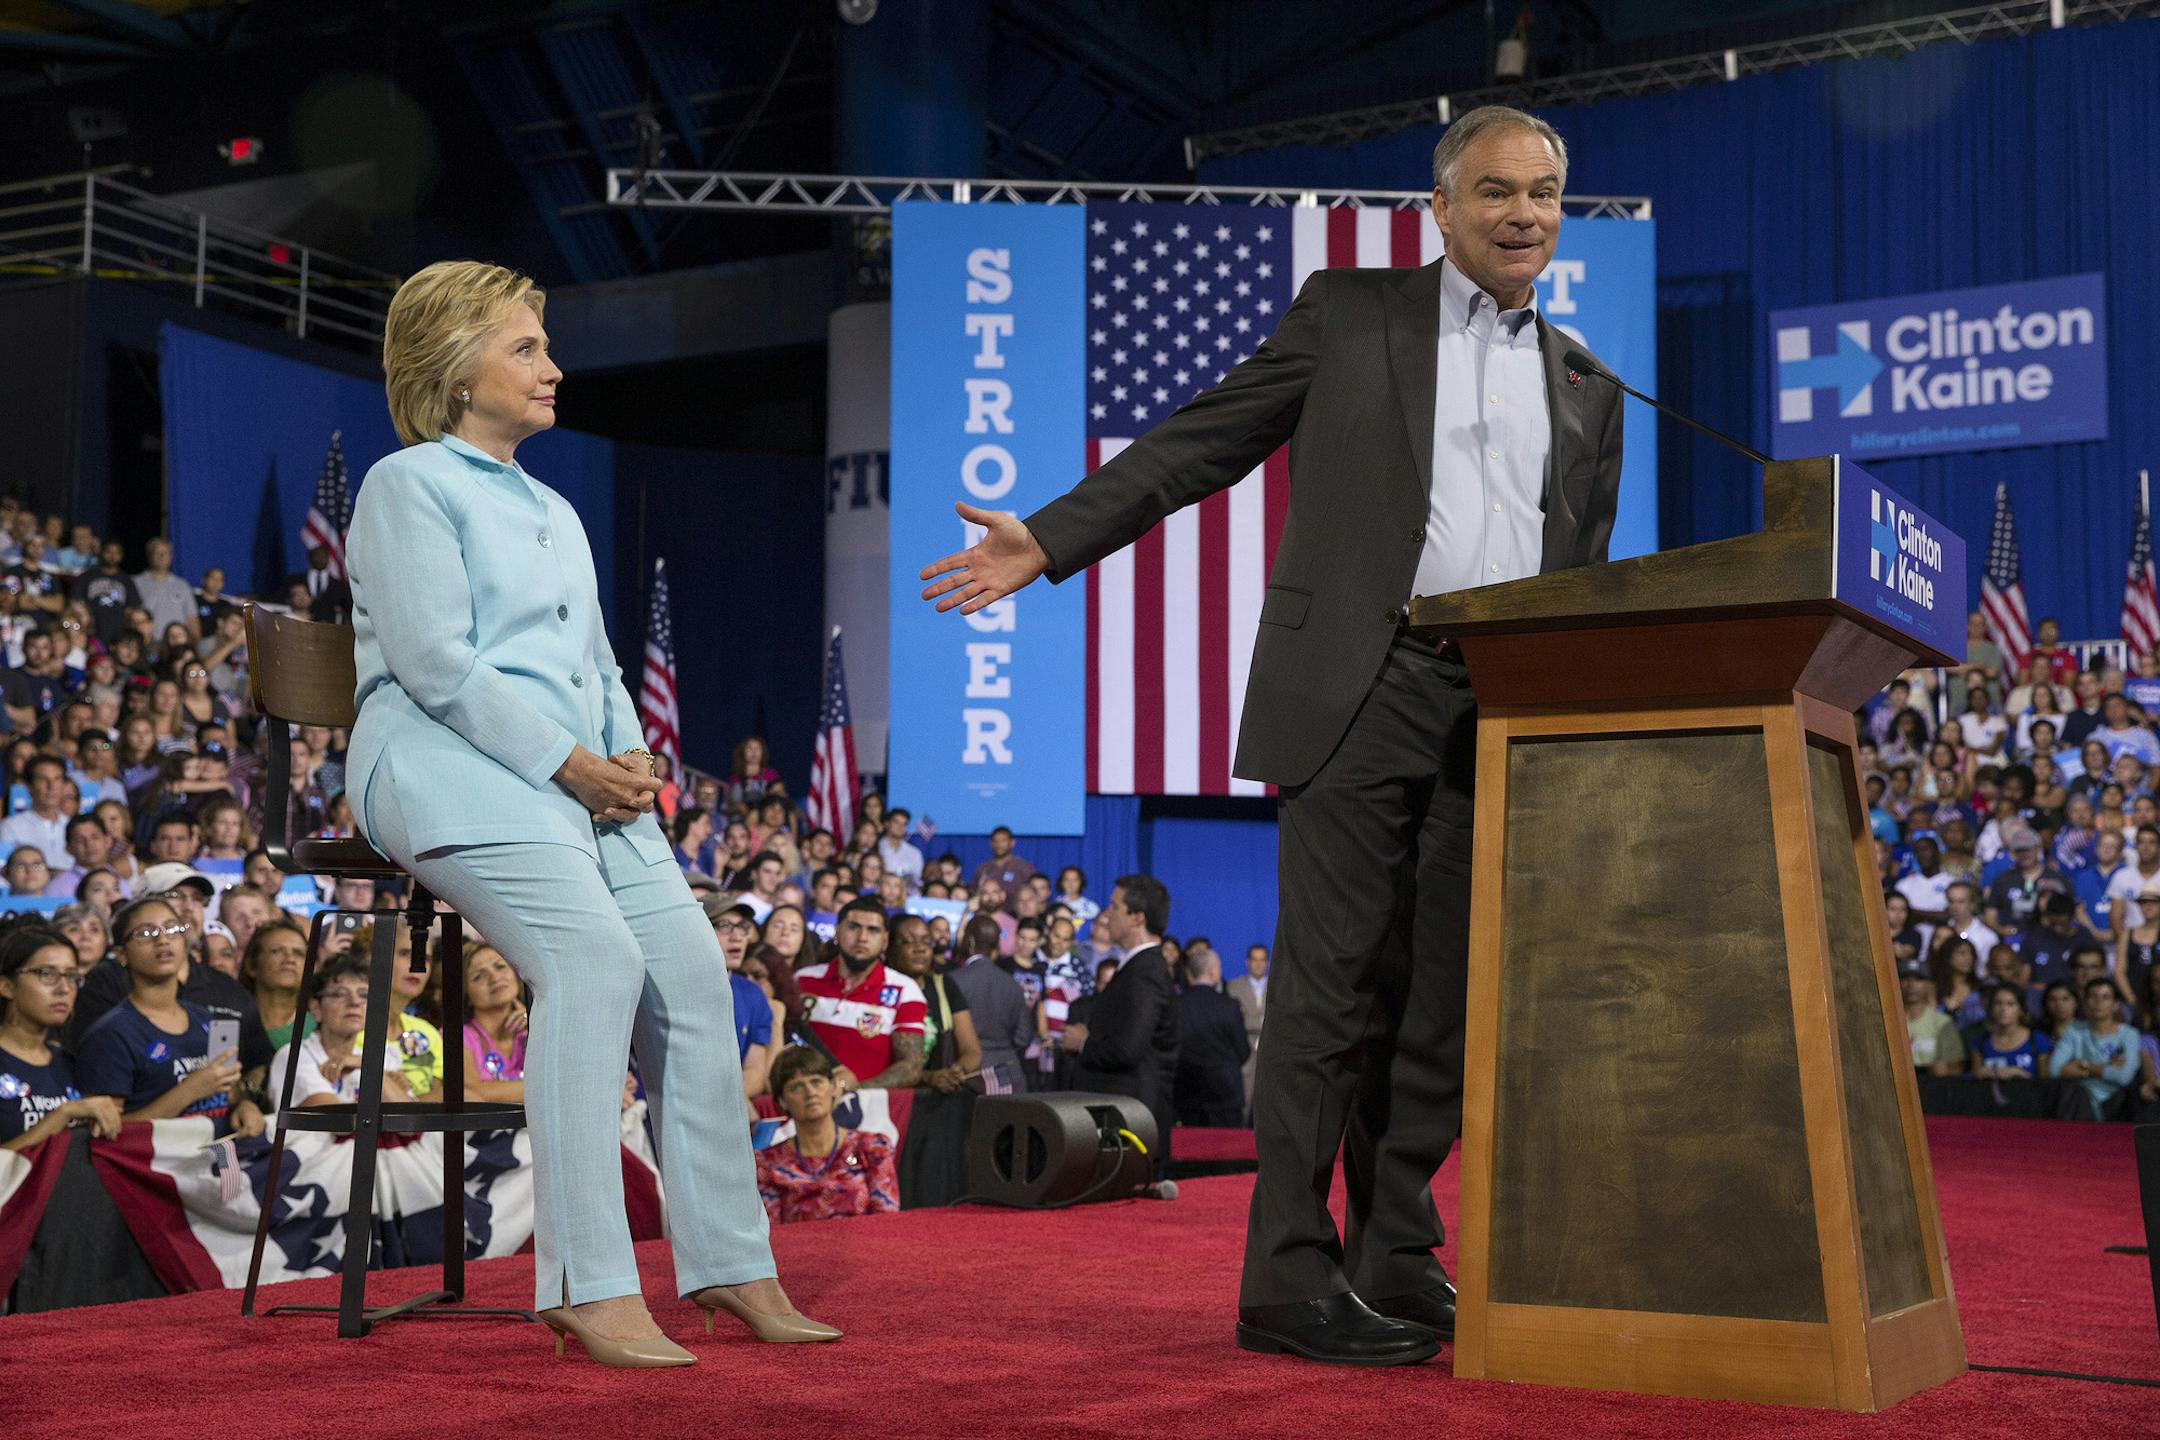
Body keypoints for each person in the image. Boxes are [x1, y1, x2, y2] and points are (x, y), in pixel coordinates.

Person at [347, 260, 828, 1366]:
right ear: (454, 367)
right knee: (597, 966)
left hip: (576, 783)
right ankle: (586, 1281)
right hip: (439, 768)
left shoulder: (556, 504)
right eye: (524, 347)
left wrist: (623, 755)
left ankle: (729, 1263)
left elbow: (600, 664)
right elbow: (433, 665)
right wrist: (570, 763)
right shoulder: (409, 482)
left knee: (698, 979)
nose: (552, 366)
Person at [74, 896, 267, 1137]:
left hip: (215, 1160)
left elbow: (226, 1092)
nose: (162, 939)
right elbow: (106, 1134)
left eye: (172, 929)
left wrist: (244, 1105)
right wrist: (190, 1090)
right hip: (151, 1168)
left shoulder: (205, 1020)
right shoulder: (110, 1035)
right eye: (145, 933)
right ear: (121, 954)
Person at [1059, 876, 1180, 1182]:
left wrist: (1084, 1042)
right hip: (1125, 1123)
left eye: (1114, 906)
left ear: (1137, 918)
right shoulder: (1138, 968)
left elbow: (1127, 1048)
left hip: (1130, 1127)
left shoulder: (1145, 973)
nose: (1105, 914)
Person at [0, 919, 123, 1150]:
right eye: (47, 974)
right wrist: (62, 1116)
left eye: (71, 976)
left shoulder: (71, 1062)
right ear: (7, 986)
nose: (64, 988)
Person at [265, 952, 432, 1111]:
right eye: (339, 994)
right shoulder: (294, 1056)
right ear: (315, 1008)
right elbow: (339, 1123)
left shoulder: (371, 1059)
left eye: (364, 995)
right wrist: (381, 1078)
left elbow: (410, 1124)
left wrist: (367, 1066)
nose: (354, 1002)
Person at [754, 1046, 899, 1225]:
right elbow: (772, 1234)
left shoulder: (873, 1147)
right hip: (796, 1251)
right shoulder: (767, 1163)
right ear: (782, 1101)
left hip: (865, 1249)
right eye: (797, 1087)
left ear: (833, 1088)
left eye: (816, 1082)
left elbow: (888, 1222)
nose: (810, 1092)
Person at [795, 896, 926, 1091]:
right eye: (853, 927)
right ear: (837, 932)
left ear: (884, 940)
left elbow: (911, 1066)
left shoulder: (905, 990)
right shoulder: (802, 981)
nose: (862, 937)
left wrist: (853, 1095)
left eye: (873, 930)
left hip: (868, 1114)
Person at [886, 913, 980, 1094]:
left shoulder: (944, 986)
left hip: (933, 1102)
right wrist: (927, 1077)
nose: (920, 949)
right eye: (908, 942)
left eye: (926, 942)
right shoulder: (881, 988)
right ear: (889, 947)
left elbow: (972, 1050)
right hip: (888, 1097)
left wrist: (955, 1072)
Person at [946, 912, 1032, 1093]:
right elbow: (1023, 1037)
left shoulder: (952, 981)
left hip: (966, 1075)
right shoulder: (1014, 985)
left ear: (969, 942)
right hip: (1009, 1073)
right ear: (997, 945)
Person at [1174, 944, 1252, 1127]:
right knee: (1228, 1153)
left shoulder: (1176, 1005)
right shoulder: (1228, 1006)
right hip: (1225, 1095)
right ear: (1213, 972)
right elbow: (1243, 1050)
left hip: (1186, 1093)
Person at [2043, 978, 2142, 1118]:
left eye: (2105, 997)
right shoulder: (2074, 1030)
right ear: (2084, 1003)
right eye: (2092, 996)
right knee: (2069, 1091)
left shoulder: (2129, 1034)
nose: (2098, 1002)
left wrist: (2082, 1066)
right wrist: (2105, 1067)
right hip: (2079, 1098)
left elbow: (2125, 1076)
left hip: (2115, 1100)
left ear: (2115, 1005)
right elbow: (2054, 1070)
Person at [1899, 957, 1965, 1077]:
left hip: (1933, 1087)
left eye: (1919, 979)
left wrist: (1944, 1071)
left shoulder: (1942, 1022)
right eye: (1905, 978)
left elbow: (1957, 1068)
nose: (1911, 985)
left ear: (1929, 985)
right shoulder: (1887, 1023)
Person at [1969, 983, 2050, 1078]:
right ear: (1991, 1009)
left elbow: (2045, 1084)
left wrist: (2018, 1073)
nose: (2003, 1009)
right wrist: (1992, 1073)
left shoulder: (2038, 1040)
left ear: (2021, 1010)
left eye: (2010, 1004)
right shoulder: (1980, 1042)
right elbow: (1975, 1083)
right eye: (1998, 1003)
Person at [970, 827, 1035, 909]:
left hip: (1015, 917)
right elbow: (975, 894)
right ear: (991, 843)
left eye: (1003, 841)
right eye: (995, 841)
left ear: (1012, 843)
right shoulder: (983, 869)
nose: (999, 844)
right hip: (988, 915)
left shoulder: (1023, 868)